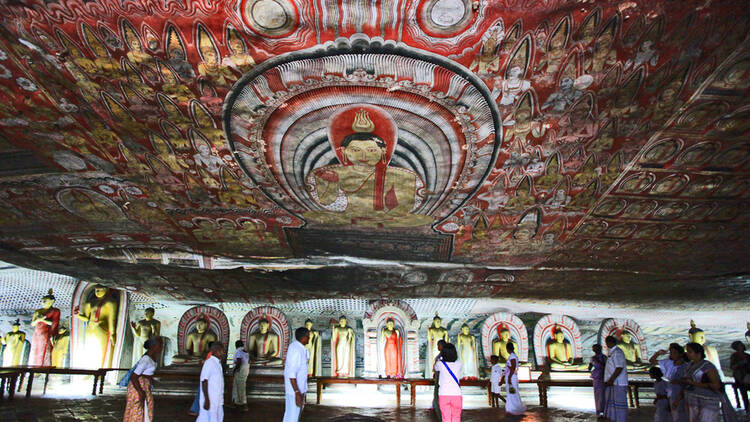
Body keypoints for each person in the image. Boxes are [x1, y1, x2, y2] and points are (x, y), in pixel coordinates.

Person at [681, 342, 737, 422]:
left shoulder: (707, 366)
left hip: (707, 400)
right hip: (692, 399)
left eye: (690, 352)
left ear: (698, 353)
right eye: (687, 351)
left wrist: (693, 383)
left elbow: (716, 385)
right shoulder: (689, 365)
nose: (687, 354)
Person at [123, 336, 163, 422]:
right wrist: (140, 391)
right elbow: (134, 377)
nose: (161, 348)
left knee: (145, 410)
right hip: (138, 386)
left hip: (144, 385)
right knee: (137, 411)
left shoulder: (151, 357)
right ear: (154, 346)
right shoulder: (146, 359)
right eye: (160, 345)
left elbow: (147, 373)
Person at [650, 343, 689, 422]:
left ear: (680, 354)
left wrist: (678, 382)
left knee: (681, 414)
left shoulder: (685, 366)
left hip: (681, 391)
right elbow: (652, 361)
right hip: (671, 390)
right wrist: (658, 353)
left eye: (674, 352)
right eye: (671, 352)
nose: (672, 355)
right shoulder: (668, 362)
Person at [284, 327, 310, 422]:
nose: (309, 338)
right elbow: (291, 373)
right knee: (292, 416)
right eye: (308, 336)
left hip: (299, 389)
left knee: (293, 415)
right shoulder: (295, 349)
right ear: (303, 337)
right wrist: (297, 392)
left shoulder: (301, 348)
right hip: (294, 391)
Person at [197, 342, 225, 422]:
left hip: (217, 399)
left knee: (218, 417)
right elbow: (204, 381)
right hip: (210, 399)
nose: (223, 352)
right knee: (206, 418)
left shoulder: (218, 363)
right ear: (214, 350)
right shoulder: (209, 363)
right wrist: (206, 399)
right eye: (221, 350)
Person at [434, 343, 462, 422]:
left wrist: (440, 358)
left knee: (445, 418)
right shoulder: (459, 363)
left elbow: (435, 368)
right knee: (456, 417)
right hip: (456, 394)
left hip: (444, 394)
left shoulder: (439, 364)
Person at [604, 335, 629, 422]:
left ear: (610, 342)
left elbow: (619, 367)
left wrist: (611, 380)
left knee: (619, 405)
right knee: (613, 404)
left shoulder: (617, 352)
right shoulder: (612, 352)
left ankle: (621, 420)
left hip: (618, 383)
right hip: (614, 383)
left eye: (607, 342)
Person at [500, 343, 526, 415]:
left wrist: (509, 377)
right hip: (510, 376)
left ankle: (515, 407)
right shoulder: (511, 356)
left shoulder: (512, 356)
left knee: (513, 392)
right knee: (511, 392)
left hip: (511, 376)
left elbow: (513, 367)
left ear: (507, 349)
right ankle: (511, 407)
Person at [729, 341, 750, 411]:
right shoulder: (734, 356)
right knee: (743, 389)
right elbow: (732, 367)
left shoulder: (747, 356)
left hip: (747, 375)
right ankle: (747, 408)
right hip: (739, 377)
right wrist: (740, 363)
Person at [589, 344, 607, 417]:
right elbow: (590, 367)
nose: (595, 350)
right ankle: (599, 410)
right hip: (596, 377)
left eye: (597, 349)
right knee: (597, 394)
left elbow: (605, 366)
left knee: (603, 394)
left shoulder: (604, 357)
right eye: (594, 349)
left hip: (603, 376)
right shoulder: (593, 358)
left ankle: (604, 409)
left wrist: (598, 362)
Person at [232, 340, 250, 411]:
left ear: (236, 345)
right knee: (239, 386)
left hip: (240, 370)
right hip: (245, 369)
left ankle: (244, 405)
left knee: (240, 387)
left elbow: (239, 361)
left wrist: (234, 370)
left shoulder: (238, 351)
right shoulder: (245, 351)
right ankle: (238, 403)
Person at [433, 339, 446, 420]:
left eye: (439, 345)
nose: (438, 347)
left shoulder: (443, 356)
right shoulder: (441, 355)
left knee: (439, 398)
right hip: (440, 378)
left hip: (441, 380)